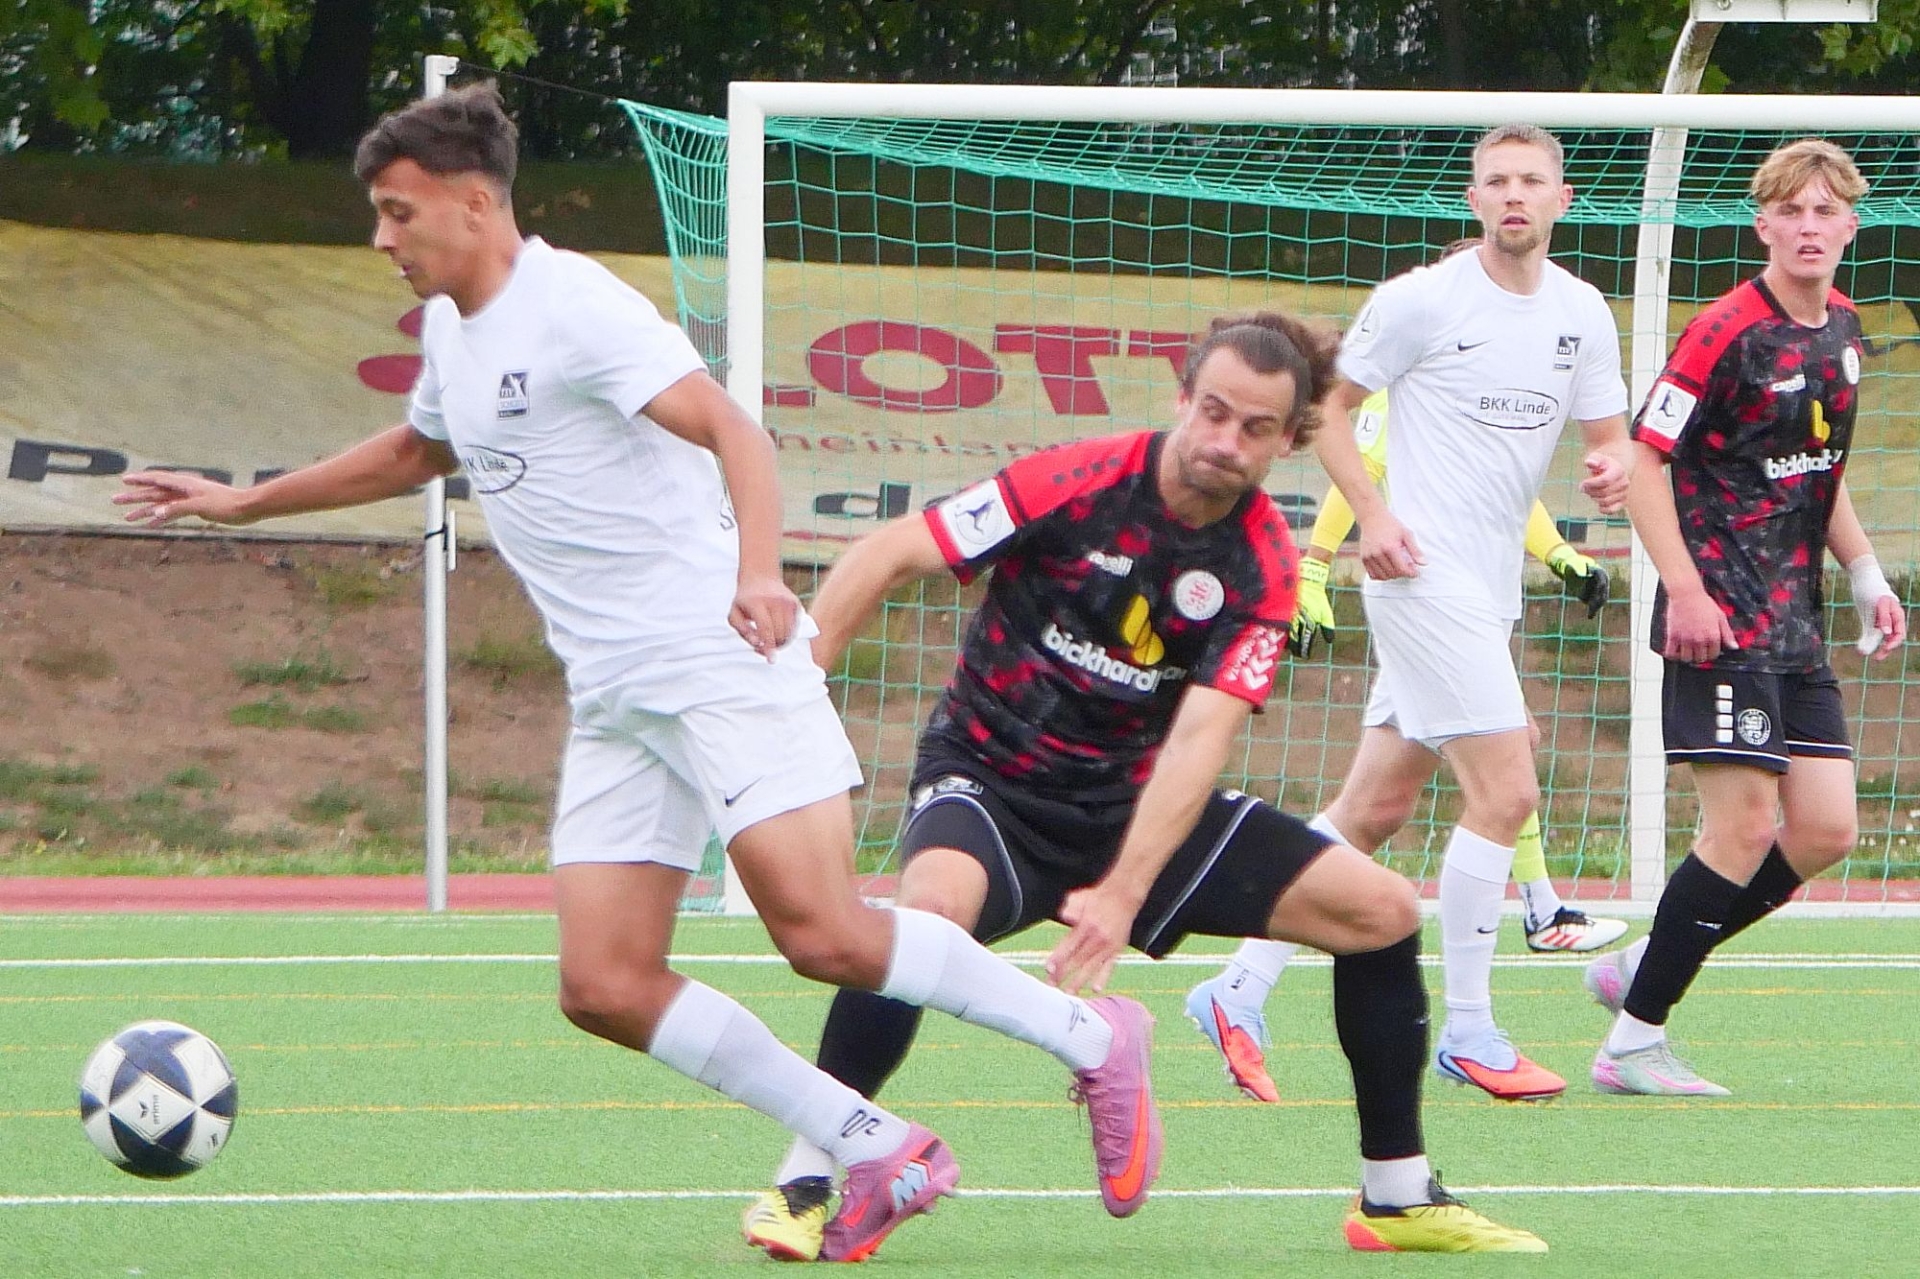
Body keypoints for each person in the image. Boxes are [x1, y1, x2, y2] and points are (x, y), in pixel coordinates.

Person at [109, 82, 1165, 1264]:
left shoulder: (575, 305)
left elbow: (734, 430)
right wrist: (245, 502)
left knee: (824, 934)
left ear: (473, 203)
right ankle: (876, 1143)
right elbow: (418, 448)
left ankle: (1093, 1036)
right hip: (616, 695)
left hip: (715, 657)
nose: (380, 238)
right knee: (604, 982)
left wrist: (760, 573)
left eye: (398, 213)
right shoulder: (453, 329)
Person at [740, 312, 1549, 1260]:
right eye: (1214, 412)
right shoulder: (1074, 480)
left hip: (1138, 806)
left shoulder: (1262, 565)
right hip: (992, 782)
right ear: (1182, 398)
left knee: (1380, 910)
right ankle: (806, 1174)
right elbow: (890, 551)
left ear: (1290, 442)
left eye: (1256, 428)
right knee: (926, 917)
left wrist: (1125, 889)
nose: (1225, 440)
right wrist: (799, 691)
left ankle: (1396, 1197)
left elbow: (1200, 741)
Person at [1193, 125, 1633, 1109]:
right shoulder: (1421, 299)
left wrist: (1612, 471)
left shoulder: (1583, 311)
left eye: (1531, 180)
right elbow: (1323, 411)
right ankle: (1470, 1030)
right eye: (1496, 181)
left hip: (1491, 587)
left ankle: (1236, 985)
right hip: (1419, 576)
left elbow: (1612, 442)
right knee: (1507, 788)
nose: (1514, 194)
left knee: (1375, 808)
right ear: (1473, 200)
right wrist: (1374, 518)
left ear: (1561, 199)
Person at [1584, 138, 1905, 1096]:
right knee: (1744, 826)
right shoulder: (1723, 330)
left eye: (1825, 211)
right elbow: (1644, 462)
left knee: (1826, 829)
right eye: (1791, 211)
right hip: (1719, 615)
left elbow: (1820, 471)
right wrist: (1683, 588)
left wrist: (1865, 573)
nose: (1809, 227)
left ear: (1851, 226)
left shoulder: (1844, 329)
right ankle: (1632, 1041)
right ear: (1763, 224)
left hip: (1795, 620)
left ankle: (1643, 964)